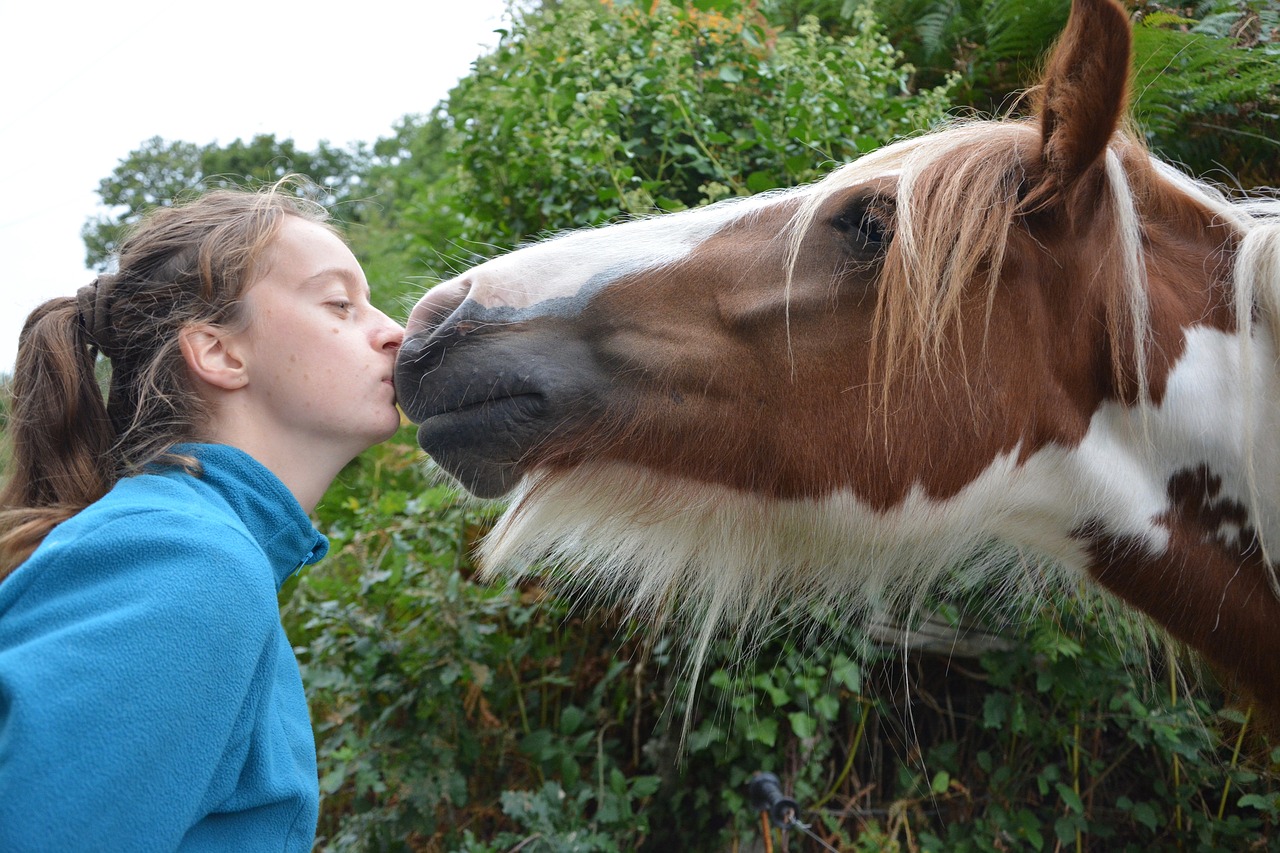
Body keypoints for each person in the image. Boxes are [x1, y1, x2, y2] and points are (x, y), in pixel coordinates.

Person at [0, 180, 405, 850]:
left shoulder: (189, 547)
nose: (393, 330)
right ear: (219, 353)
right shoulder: (190, 561)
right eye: (341, 303)